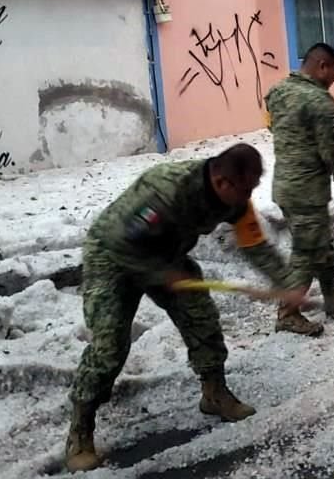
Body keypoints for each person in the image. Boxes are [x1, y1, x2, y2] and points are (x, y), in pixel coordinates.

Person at [65, 144, 308, 472]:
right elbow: (122, 242)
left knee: (201, 318)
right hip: (114, 259)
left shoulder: (235, 199)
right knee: (109, 348)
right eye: (246, 189)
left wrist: (285, 282)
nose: (249, 196)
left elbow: (254, 245)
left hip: (167, 257)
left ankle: (214, 394)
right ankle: (80, 427)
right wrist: (165, 275)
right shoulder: (166, 190)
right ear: (223, 182)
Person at [265, 42, 334, 337]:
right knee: (306, 252)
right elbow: (331, 152)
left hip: (284, 185)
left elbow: (274, 127)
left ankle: (332, 298)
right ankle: (287, 313)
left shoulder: (278, 92)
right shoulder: (321, 103)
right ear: (322, 66)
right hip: (307, 191)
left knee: (320, 245)